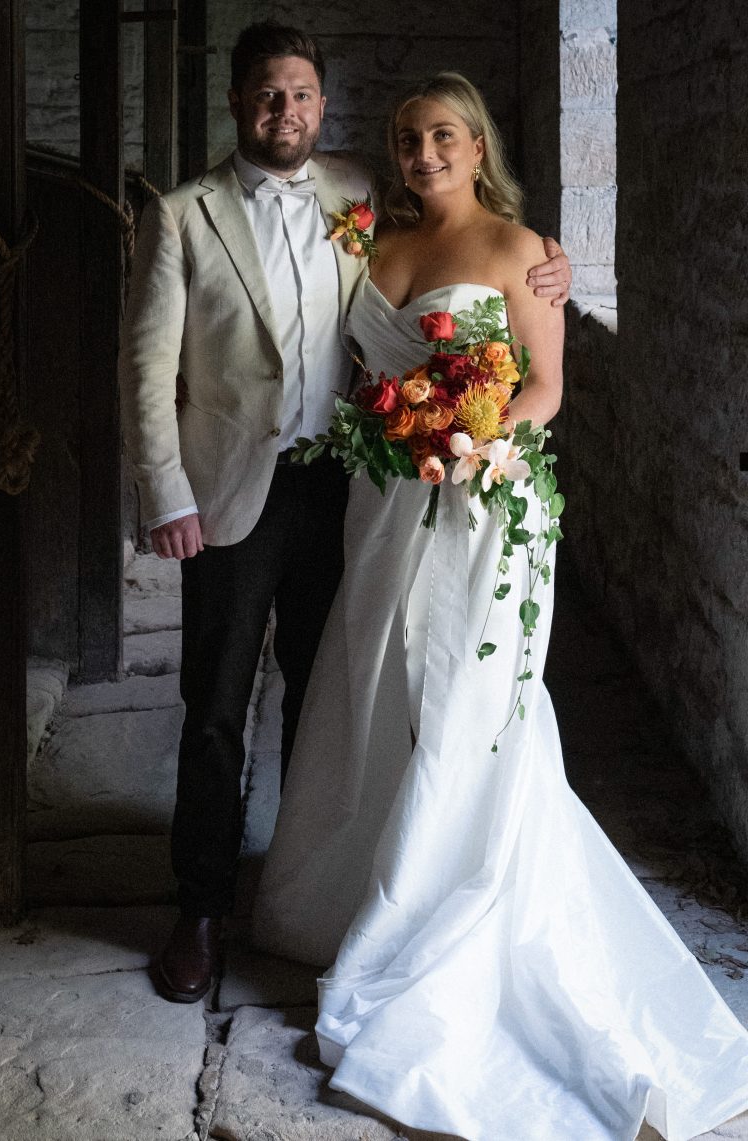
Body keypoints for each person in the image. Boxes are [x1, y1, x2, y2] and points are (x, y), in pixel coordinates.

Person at [251, 73, 748, 1140]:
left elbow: (544, 388)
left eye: (442, 136)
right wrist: (403, 436)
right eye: (406, 139)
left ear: (478, 145)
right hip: (385, 503)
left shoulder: (526, 251)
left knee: (474, 699)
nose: (422, 153)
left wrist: (470, 445)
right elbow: (355, 375)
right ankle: (366, 876)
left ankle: (452, 898)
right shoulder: (375, 249)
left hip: (484, 506)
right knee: (378, 673)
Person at [119, 25, 572, 1005]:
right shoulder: (183, 214)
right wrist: (166, 493)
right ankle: (200, 907)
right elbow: (147, 367)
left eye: (303, 96)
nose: (287, 111)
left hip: (350, 491)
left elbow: (485, 272)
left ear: (323, 107)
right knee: (214, 707)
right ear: (240, 103)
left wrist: (554, 274)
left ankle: (319, 885)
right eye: (268, 95)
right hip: (229, 494)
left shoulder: (360, 193)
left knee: (343, 700)